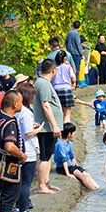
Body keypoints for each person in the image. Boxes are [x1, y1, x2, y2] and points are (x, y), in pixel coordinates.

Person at [32, 59, 63, 195]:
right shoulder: (43, 84)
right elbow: (45, 105)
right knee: (44, 156)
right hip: (46, 127)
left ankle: (46, 182)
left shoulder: (42, 82)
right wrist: (55, 125)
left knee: (48, 155)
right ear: (53, 70)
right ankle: (41, 185)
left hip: (48, 127)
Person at [15, 83, 40, 212]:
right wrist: (39, 128)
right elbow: (28, 132)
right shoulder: (26, 112)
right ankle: (22, 210)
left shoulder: (18, 110)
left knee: (20, 182)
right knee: (26, 183)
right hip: (27, 151)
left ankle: (19, 207)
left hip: (18, 149)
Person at [54, 123, 99, 190]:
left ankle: (97, 189)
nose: (74, 133)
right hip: (62, 167)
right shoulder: (60, 144)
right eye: (74, 132)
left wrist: (77, 167)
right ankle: (92, 190)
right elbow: (64, 160)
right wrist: (68, 173)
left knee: (87, 175)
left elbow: (72, 157)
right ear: (69, 134)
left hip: (71, 165)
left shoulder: (69, 143)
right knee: (83, 176)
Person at [52, 50, 77, 124]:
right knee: (67, 114)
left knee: (59, 113)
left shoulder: (54, 67)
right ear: (64, 58)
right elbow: (73, 78)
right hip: (66, 89)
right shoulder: (67, 66)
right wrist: (73, 84)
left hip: (56, 90)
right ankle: (66, 133)